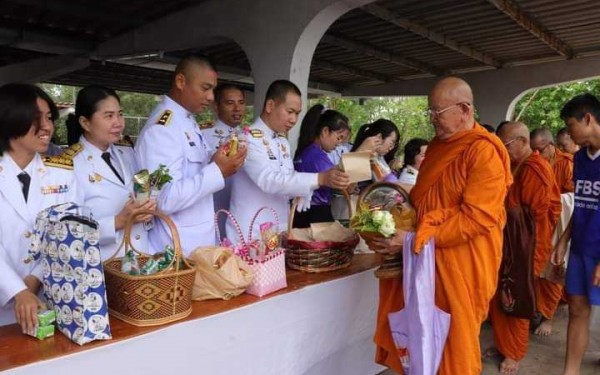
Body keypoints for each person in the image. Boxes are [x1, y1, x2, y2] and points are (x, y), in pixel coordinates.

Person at [367, 77, 512, 375]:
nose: (432, 119)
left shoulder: (482, 151)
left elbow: (477, 217)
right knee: (420, 342)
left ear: (464, 109)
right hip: (425, 259)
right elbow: (425, 199)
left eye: (438, 112)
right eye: (430, 112)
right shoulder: (436, 148)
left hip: (459, 263)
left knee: (452, 347)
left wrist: (412, 238)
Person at [135, 54, 246, 255]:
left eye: (212, 89)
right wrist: (217, 171)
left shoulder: (186, 120)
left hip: (198, 242)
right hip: (177, 248)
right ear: (180, 81)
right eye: (205, 88)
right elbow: (163, 199)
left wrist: (217, 161)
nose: (211, 97)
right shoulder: (162, 128)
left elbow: (192, 172)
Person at [0, 83, 81, 331]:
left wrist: (34, 281)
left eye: (48, 118)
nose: (47, 127)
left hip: (47, 300)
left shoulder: (62, 174)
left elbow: (68, 234)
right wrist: (18, 290)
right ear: (11, 120)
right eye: (37, 119)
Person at [227, 80, 349, 240]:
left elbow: (287, 178)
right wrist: (319, 178)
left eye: (297, 114)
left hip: (279, 227)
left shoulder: (282, 142)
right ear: (270, 106)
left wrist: (302, 191)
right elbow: (268, 180)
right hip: (252, 231)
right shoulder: (247, 139)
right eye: (290, 111)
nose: (293, 119)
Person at [490, 121, 561, 373]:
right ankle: (502, 344)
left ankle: (515, 353)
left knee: (517, 296)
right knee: (501, 294)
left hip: (526, 245)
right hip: (509, 243)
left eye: (504, 145)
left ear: (521, 142)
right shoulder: (516, 166)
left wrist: (504, 211)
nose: (502, 150)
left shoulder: (535, 169)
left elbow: (537, 214)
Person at [65, 85, 156, 260]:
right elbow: (68, 231)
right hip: (102, 265)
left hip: (142, 256)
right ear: (85, 123)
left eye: (120, 114)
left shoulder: (127, 152)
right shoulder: (69, 165)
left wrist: (147, 208)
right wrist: (118, 221)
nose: (119, 123)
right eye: (109, 116)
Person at [552, 93, 600, 375]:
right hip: (582, 246)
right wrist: (564, 239)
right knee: (577, 310)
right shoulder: (580, 157)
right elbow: (582, 203)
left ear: (588, 119)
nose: (569, 133)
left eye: (571, 126)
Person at [530, 127, 575, 336]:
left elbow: (573, 196)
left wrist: (553, 202)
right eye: (533, 150)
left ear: (550, 146)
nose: (536, 154)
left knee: (553, 268)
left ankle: (548, 317)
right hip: (536, 222)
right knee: (534, 269)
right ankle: (535, 308)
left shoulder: (566, 164)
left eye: (540, 149)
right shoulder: (531, 164)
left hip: (558, 223)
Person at [201, 84, 247, 238]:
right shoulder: (203, 134)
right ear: (216, 107)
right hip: (214, 207)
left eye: (241, 103)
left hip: (241, 211)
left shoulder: (249, 136)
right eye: (230, 103)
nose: (237, 108)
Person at [293, 104, 350, 227]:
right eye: (338, 137)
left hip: (302, 214)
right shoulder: (316, 156)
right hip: (316, 216)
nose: (339, 143)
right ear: (325, 131)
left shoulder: (305, 152)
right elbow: (345, 185)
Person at [351, 119, 400, 183]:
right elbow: (384, 184)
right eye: (391, 143)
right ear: (379, 137)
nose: (391, 148)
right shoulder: (370, 158)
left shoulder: (379, 157)